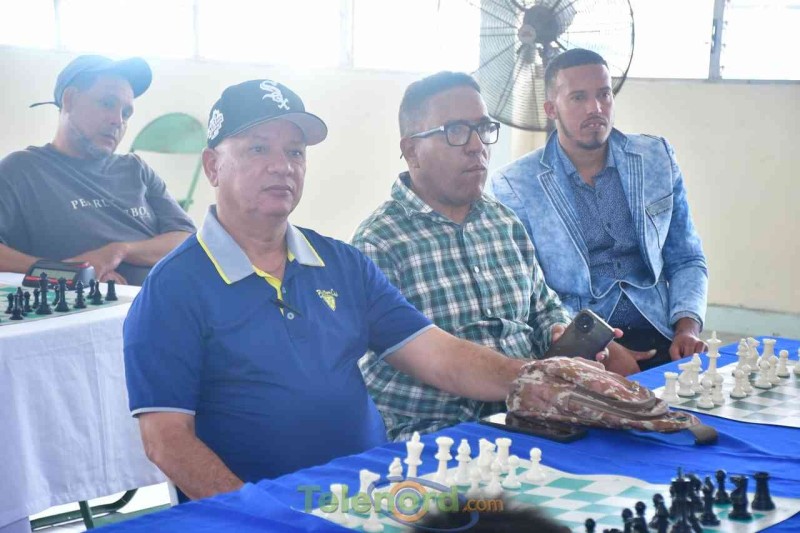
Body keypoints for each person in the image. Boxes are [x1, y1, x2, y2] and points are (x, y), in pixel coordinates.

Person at [123, 79, 555, 501]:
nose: (282, 165)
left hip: (371, 496)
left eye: (295, 151)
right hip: (262, 513)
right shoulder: (174, 287)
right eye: (258, 148)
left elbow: (441, 357)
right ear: (213, 166)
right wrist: (259, 515)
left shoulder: (342, 264)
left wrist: (535, 380)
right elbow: (166, 440)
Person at [352, 72, 577, 441]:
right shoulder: (379, 244)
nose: (477, 146)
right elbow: (382, 372)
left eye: (483, 128)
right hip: (438, 436)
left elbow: (543, 306)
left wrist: (559, 331)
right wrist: (514, 381)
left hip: (531, 418)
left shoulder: (504, 222)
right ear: (412, 150)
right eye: (455, 131)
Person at [490, 49, 708, 370]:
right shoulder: (515, 184)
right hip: (579, 340)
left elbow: (686, 258)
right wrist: (596, 342)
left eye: (604, 94)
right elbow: (529, 293)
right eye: (578, 97)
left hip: (661, 329)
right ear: (551, 109)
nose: (595, 108)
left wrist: (688, 326)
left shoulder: (656, 157)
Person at [0, 55, 195, 285]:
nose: (118, 120)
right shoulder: (20, 171)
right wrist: (67, 273)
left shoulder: (136, 169)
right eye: (107, 103)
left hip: (172, 298)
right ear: (70, 100)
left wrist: (119, 251)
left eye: (126, 113)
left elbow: (187, 238)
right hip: (92, 306)